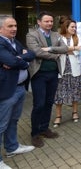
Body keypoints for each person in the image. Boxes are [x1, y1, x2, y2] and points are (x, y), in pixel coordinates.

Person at [26, 11, 69, 148]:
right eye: (46, 21)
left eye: (51, 21)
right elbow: (36, 52)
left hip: (53, 73)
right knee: (39, 104)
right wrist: (55, 55)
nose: (50, 23)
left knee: (49, 102)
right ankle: (35, 133)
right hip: (39, 74)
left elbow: (65, 48)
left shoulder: (56, 35)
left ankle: (44, 128)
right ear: (39, 22)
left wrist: (50, 48)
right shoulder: (32, 34)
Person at [0, 16, 35, 169]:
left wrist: (18, 58)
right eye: (10, 26)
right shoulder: (0, 43)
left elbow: (32, 54)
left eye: (15, 25)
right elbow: (14, 62)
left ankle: (12, 147)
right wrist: (20, 59)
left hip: (20, 87)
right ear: (1, 29)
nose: (14, 28)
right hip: (7, 90)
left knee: (13, 120)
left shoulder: (15, 42)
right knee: (1, 125)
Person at [53, 19, 81, 127]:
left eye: (75, 27)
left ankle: (75, 112)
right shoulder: (58, 37)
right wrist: (70, 49)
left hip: (74, 68)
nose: (74, 29)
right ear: (66, 27)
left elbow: (78, 50)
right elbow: (56, 50)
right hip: (61, 69)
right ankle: (58, 116)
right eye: (72, 27)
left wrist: (66, 49)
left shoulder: (77, 38)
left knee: (74, 91)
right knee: (59, 93)